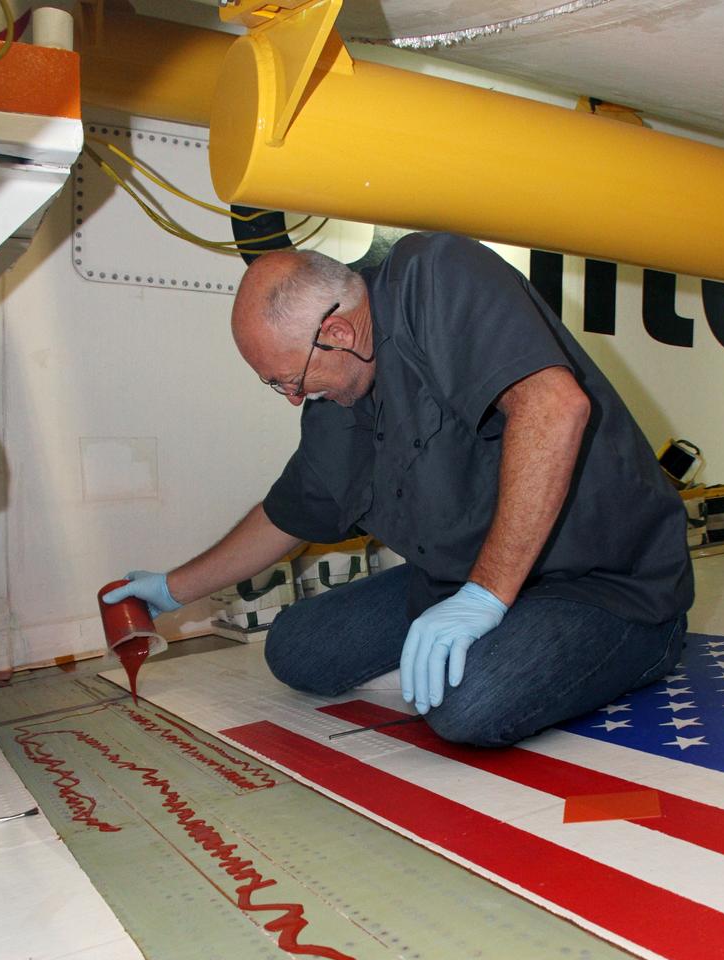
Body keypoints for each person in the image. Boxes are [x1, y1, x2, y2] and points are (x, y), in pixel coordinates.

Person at [105, 233, 693, 747]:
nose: (291, 397)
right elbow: (287, 515)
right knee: (295, 649)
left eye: (289, 379)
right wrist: (173, 590)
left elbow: (554, 408)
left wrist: (484, 598)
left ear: (335, 332)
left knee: (470, 706)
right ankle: (488, 613)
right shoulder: (340, 397)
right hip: (463, 577)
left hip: (599, 583)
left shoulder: (436, 275)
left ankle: (645, 644)